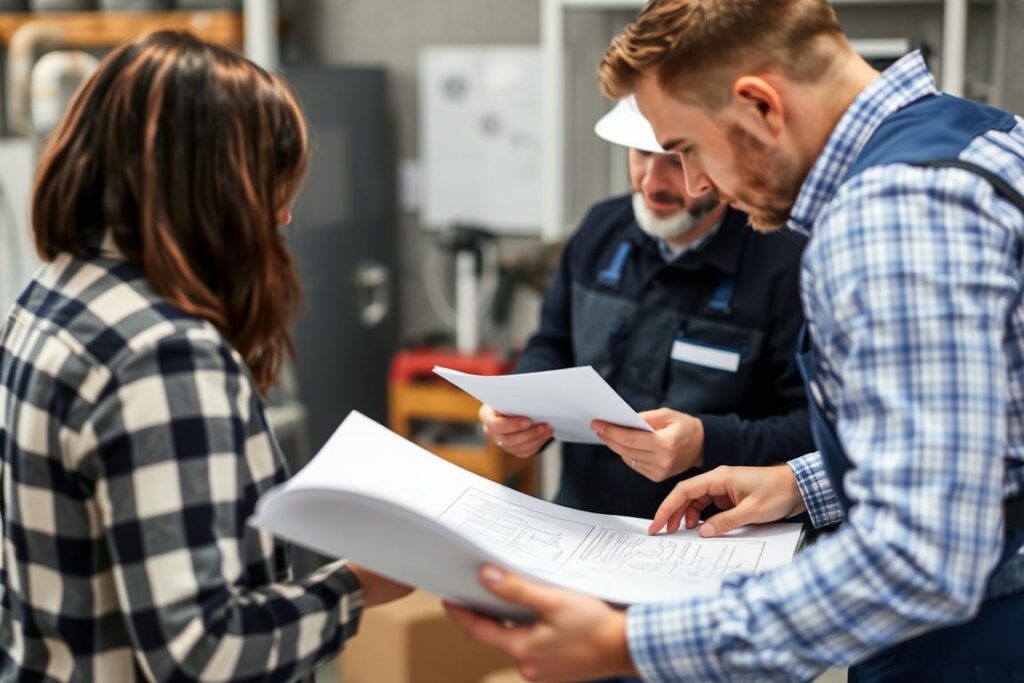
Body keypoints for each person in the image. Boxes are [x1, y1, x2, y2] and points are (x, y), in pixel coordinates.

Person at [448, 1, 1024, 681]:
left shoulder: (889, 219)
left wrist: (632, 644)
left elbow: (920, 557)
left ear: (760, 107)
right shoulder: (982, 139)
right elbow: (989, 435)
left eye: (687, 150)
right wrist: (800, 483)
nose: (693, 186)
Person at [0, 31, 410, 682]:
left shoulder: (52, 295)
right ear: (216, 188)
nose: (281, 216)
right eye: (272, 187)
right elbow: (202, 651)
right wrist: (356, 586)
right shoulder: (163, 356)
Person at [479, 96, 812, 519]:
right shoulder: (600, 230)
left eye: (674, 160)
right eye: (640, 155)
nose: (652, 183)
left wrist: (708, 442)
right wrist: (523, 409)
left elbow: (816, 429)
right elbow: (553, 342)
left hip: (713, 540)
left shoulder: (785, 265)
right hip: (584, 522)